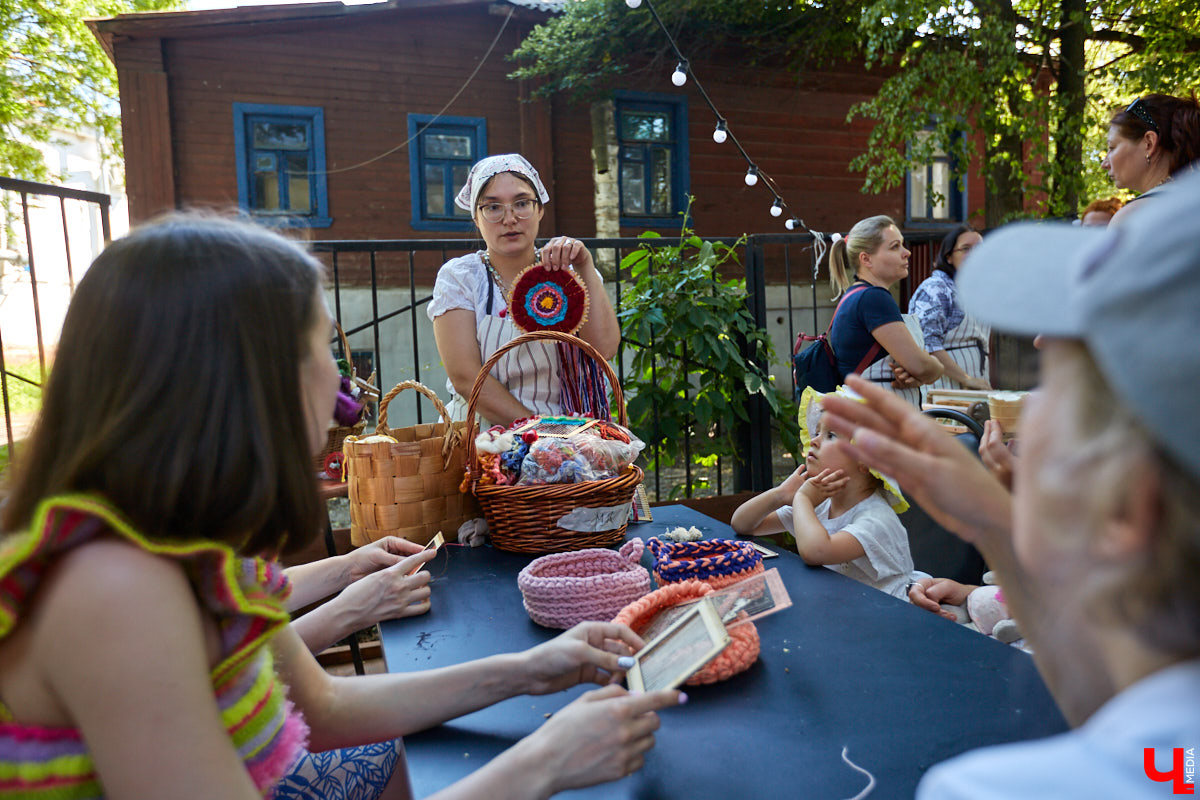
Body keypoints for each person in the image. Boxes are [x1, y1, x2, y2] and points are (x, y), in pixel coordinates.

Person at [0, 215, 682, 799]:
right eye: (321, 349)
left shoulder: (176, 547)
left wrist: (535, 669)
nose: (341, 383)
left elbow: (319, 706)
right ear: (240, 382)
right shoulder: (114, 593)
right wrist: (540, 765)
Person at [819, 171, 1200, 796]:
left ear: (1132, 506)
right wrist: (995, 524)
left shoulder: (980, 790)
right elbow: (1123, 704)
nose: (1042, 338)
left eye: (1067, 366)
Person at [428, 154, 620, 426]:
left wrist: (585, 265)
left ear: (540, 210)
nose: (510, 218)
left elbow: (604, 350)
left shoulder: (570, 272)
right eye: (493, 207)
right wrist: (543, 432)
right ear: (476, 217)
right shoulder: (461, 278)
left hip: (575, 428)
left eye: (521, 204)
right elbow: (466, 378)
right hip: (483, 436)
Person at [730, 387, 922, 600]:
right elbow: (743, 524)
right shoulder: (821, 503)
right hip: (844, 608)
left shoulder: (875, 518)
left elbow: (816, 552)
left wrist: (802, 499)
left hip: (892, 615)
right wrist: (780, 494)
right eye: (817, 432)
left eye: (830, 435)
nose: (814, 441)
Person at [824, 215, 943, 406]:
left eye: (903, 245)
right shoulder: (874, 298)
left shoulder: (856, 295)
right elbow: (921, 366)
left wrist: (918, 375)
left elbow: (917, 369)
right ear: (866, 259)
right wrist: (935, 368)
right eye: (895, 246)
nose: (907, 253)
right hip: (877, 422)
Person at [907, 224, 991, 393]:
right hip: (944, 388)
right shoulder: (936, 289)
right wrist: (966, 379)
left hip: (975, 385)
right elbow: (927, 344)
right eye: (966, 248)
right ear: (949, 257)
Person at [1103, 93, 1200, 226]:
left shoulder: (1132, 218)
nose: (1104, 164)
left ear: (1148, 143)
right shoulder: (1192, 203)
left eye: (1112, 147)